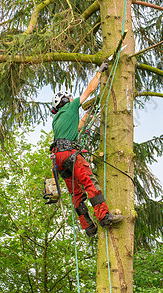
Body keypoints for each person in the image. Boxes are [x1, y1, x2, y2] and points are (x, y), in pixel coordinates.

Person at [50, 61, 124, 237]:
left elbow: (77, 128)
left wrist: (90, 113)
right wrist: (99, 73)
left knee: (76, 193)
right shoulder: (70, 106)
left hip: (58, 159)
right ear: (65, 100)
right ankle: (104, 216)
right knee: (90, 183)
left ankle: (88, 227)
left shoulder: (58, 119)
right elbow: (90, 90)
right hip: (70, 154)